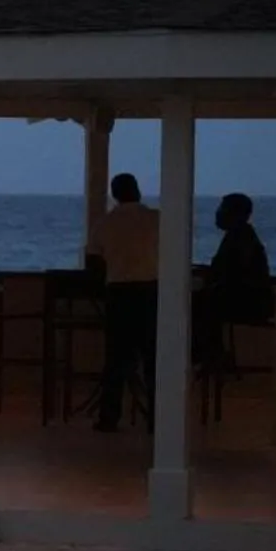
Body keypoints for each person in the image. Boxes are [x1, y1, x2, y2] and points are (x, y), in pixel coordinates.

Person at [92, 172, 158, 432]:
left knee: (116, 358)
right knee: (153, 357)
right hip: (151, 292)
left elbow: (95, 260)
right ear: (137, 190)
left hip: (119, 293)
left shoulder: (105, 223)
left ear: (115, 194)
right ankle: (157, 416)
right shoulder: (157, 219)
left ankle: (109, 416)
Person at [194, 192, 275, 372]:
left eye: (222, 209)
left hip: (246, 302)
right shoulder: (240, 235)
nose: (217, 213)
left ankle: (208, 357)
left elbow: (229, 274)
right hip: (245, 299)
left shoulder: (240, 238)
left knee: (198, 305)